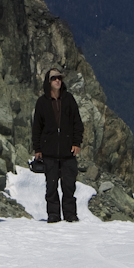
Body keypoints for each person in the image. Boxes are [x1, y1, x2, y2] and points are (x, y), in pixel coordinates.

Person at [32, 67, 84, 223]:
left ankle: (70, 214)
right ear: (48, 82)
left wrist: (76, 143)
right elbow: (37, 127)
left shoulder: (69, 99)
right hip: (49, 152)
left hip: (68, 151)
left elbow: (77, 123)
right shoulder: (42, 102)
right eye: (54, 78)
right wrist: (38, 149)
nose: (57, 81)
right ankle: (53, 214)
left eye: (59, 78)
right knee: (51, 186)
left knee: (69, 185)